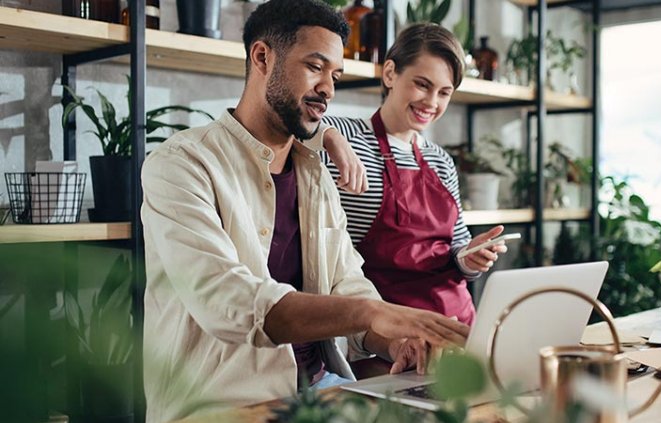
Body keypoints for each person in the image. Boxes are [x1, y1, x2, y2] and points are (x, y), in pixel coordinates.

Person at [140, 2, 469, 422]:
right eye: (315, 67)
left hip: (322, 394)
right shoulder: (182, 164)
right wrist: (375, 312)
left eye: (335, 75)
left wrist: (393, 342)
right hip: (224, 407)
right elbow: (228, 301)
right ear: (262, 57)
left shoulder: (314, 173)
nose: (328, 89)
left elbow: (347, 283)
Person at [320, 23, 507, 326]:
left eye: (444, 93)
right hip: (386, 330)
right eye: (422, 84)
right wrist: (328, 136)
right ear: (391, 73)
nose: (431, 103)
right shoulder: (346, 137)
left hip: (457, 323)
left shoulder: (441, 160)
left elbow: (456, 252)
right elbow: (290, 126)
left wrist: (471, 257)